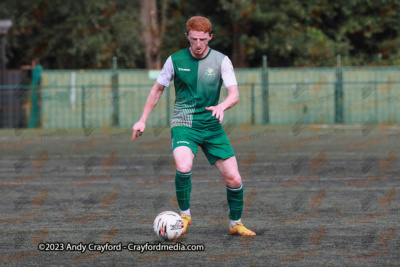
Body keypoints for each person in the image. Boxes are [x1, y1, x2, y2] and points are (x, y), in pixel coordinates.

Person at [132, 16, 256, 236]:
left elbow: (234, 93)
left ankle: (235, 223)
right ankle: (184, 216)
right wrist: (142, 119)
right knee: (183, 166)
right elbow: (157, 90)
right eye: (194, 39)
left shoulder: (221, 61)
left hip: (211, 125)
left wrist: (222, 106)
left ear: (210, 36)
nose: (198, 45)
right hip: (184, 123)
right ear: (187, 35)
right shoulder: (175, 60)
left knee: (234, 178)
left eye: (203, 39)